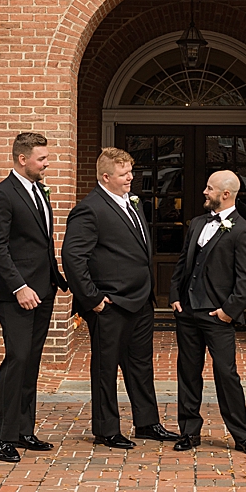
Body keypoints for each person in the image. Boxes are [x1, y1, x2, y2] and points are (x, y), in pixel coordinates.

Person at [61, 147, 177, 448]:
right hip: (110, 304)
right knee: (105, 368)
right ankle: (106, 429)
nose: (131, 178)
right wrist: (94, 299)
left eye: (131, 172)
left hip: (140, 301)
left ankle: (147, 422)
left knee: (141, 365)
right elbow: (73, 258)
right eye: (124, 174)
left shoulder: (132, 204)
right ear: (105, 176)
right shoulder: (90, 208)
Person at [0, 132, 68, 463]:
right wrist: (19, 286)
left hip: (43, 289)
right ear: (22, 159)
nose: (47, 163)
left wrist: (53, 279)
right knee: (16, 359)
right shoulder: (1, 196)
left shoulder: (39, 191)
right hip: (15, 294)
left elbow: (41, 243)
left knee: (31, 361)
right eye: (42, 158)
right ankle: (3, 437)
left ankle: (23, 430)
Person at [169, 170, 246, 455]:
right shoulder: (197, 223)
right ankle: (189, 432)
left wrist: (228, 311)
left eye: (209, 189)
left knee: (226, 373)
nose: (204, 193)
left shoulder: (244, 230)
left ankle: (242, 435)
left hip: (217, 315)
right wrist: (175, 296)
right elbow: (183, 262)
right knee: (187, 372)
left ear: (225, 194)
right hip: (187, 311)